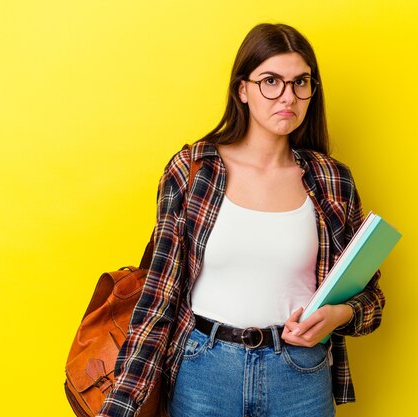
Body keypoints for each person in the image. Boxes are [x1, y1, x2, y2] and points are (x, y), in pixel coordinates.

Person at [97, 23, 385, 417]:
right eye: (271, 81)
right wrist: (122, 406)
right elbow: (159, 295)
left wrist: (338, 315)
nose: (288, 96)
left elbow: (371, 299)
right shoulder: (194, 169)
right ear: (242, 89)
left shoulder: (332, 180)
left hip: (300, 375)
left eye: (301, 82)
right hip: (204, 371)